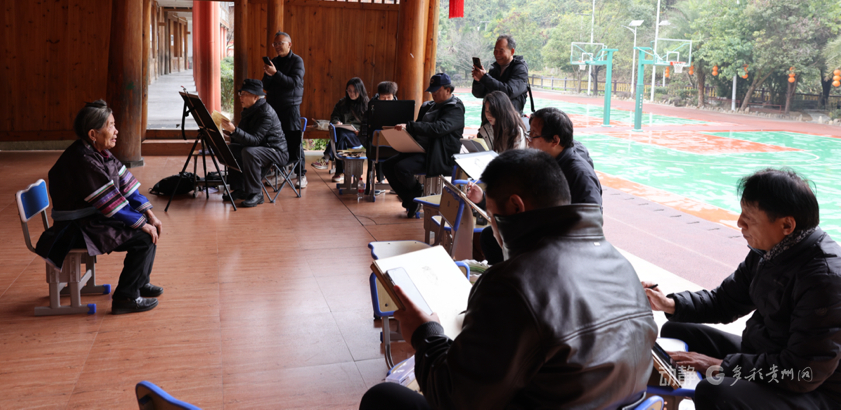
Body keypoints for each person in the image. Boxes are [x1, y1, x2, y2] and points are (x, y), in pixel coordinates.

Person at [360, 149, 657, 410]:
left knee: (383, 398)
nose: (492, 227)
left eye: (491, 215)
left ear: (516, 207)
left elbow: (455, 399)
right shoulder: (619, 263)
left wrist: (425, 334)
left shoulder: (514, 284)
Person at [644, 169, 841, 410]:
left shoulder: (825, 278)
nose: (739, 223)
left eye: (749, 218)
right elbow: (724, 302)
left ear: (787, 225)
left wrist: (720, 366)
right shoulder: (769, 252)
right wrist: (669, 304)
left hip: (816, 391)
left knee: (715, 390)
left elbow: (803, 372)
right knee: (677, 331)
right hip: (768, 353)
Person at [35, 100, 164, 315]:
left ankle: (139, 282)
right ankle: (126, 297)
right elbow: (110, 202)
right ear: (93, 134)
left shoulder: (99, 152)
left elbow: (127, 187)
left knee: (149, 228)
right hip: (73, 229)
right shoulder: (82, 160)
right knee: (143, 238)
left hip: (89, 221)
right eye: (111, 125)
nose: (116, 131)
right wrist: (142, 224)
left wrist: (149, 215)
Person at [476, 106, 602, 264]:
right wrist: (483, 199)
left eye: (533, 135)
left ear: (555, 140)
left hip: (561, 245)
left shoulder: (580, 175)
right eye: (529, 134)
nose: (528, 141)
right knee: (490, 236)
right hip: (540, 229)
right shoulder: (543, 163)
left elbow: (591, 224)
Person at [382, 73, 465, 218]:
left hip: (438, 155)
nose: (433, 94)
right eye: (431, 91)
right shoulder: (428, 106)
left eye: (436, 90)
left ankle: (415, 193)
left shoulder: (455, 108)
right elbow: (418, 126)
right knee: (387, 165)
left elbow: (438, 128)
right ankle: (412, 196)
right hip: (419, 149)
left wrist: (410, 126)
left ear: (448, 90)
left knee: (402, 168)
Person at [221, 79, 289, 208]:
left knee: (249, 152)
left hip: (276, 151)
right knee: (231, 149)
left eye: (245, 94)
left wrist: (234, 130)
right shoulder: (249, 110)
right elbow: (245, 137)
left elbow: (255, 140)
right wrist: (230, 134)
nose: (241, 97)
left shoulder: (265, 112)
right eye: (241, 93)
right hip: (260, 148)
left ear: (256, 97)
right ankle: (240, 189)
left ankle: (256, 194)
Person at [262, 31, 307, 189]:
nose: (277, 46)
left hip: (290, 107)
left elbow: (293, 83)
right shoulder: (274, 61)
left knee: (294, 141)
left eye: (280, 43)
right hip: (273, 108)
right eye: (275, 44)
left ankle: (301, 174)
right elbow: (265, 86)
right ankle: (280, 172)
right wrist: (268, 74)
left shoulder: (297, 61)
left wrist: (276, 74)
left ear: (289, 44)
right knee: (276, 140)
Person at [312, 77, 369, 183]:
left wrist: (360, 132)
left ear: (360, 90)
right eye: (349, 91)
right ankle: (339, 172)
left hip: (358, 137)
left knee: (339, 134)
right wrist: (337, 122)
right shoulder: (342, 103)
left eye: (355, 91)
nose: (351, 94)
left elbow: (369, 124)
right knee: (340, 134)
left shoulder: (366, 105)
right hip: (343, 134)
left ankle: (327, 159)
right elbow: (334, 117)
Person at [471, 35, 530, 115]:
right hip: (490, 118)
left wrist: (484, 77)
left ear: (512, 51)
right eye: (495, 50)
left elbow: (509, 92)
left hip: (509, 119)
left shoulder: (520, 69)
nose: (497, 54)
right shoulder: (494, 68)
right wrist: (478, 80)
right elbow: (479, 94)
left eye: (501, 51)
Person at [361, 81, 398, 186]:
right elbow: (364, 126)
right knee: (378, 146)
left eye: (389, 97)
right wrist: (366, 142)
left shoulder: (399, 107)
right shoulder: (372, 106)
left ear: (393, 96)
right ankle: (380, 181)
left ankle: (396, 183)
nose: (386, 100)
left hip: (395, 142)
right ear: (378, 96)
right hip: (376, 143)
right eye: (383, 97)